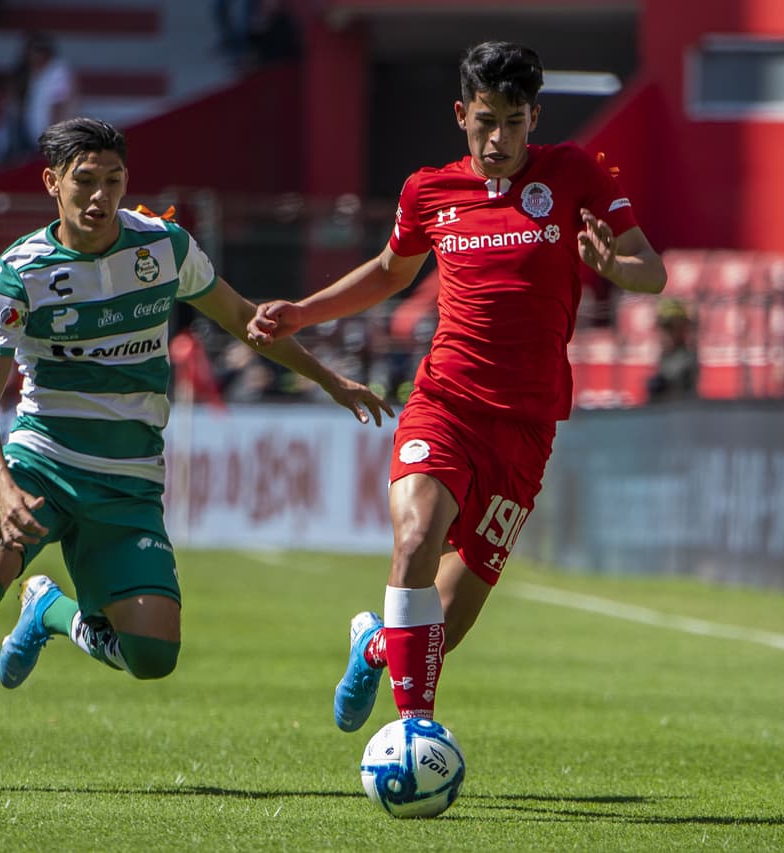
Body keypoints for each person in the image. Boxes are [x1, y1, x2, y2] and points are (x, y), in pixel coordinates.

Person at [0, 116, 391, 789]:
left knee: (152, 657)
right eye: (85, 181)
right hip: (41, 462)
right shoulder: (21, 271)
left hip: (129, 481)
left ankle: (49, 611)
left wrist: (329, 379)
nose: (100, 196)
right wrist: (1, 485)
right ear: (51, 183)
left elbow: (244, 320)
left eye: (113, 180)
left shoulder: (164, 247)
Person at [247, 41, 666, 732]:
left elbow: (653, 270)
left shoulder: (574, 174)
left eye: (513, 122)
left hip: (526, 425)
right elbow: (390, 272)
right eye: (484, 120)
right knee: (416, 538)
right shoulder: (429, 190)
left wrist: (617, 268)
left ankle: (375, 644)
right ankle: (415, 730)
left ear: (535, 118)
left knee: (440, 628)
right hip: (444, 404)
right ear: (460, 114)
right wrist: (303, 313)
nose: (497, 138)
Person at [18, 33, 79, 151]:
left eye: (33, 53)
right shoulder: (37, 72)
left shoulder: (57, 72)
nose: (29, 57)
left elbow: (59, 105)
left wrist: (53, 137)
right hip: (36, 138)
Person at [645, 296, 697, 402]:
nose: (665, 333)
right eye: (663, 327)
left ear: (683, 328)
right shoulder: (658, 357)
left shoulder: (689, 359)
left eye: (670, 327)